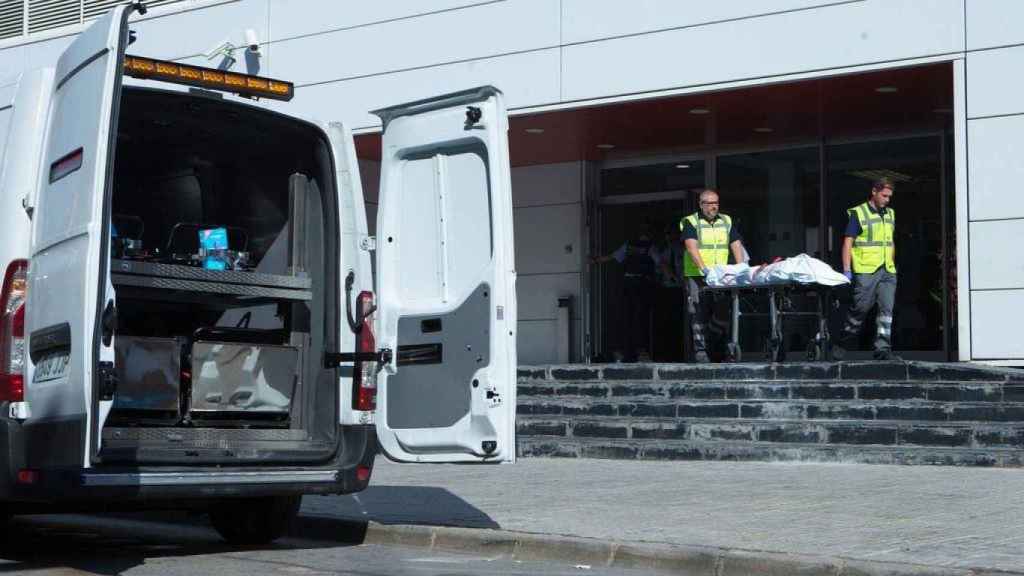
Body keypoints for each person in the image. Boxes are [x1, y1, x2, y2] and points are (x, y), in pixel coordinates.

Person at [834, 177, 900, 361]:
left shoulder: (890, 214)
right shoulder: (859, 213)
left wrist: (891, 263)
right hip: (866, 269)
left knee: (886, 311)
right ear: (874, 192)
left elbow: (890, 241)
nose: (887, 200)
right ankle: (843, 342)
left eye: (889, 197)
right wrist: (847, 269)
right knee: (860, 309)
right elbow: (848, 243)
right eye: (884, 196)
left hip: (887, 270)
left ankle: (882, 349)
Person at [679, 189, 747, 363]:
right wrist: (703, 269)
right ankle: (701, 351)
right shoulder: (691, 222)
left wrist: (740, 267)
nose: (713, 206)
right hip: (697, 275)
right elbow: (691, 247)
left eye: (716, 203)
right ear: (701, 205)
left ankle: (714, 344)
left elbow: (736, 244)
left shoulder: (726, 221)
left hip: (720, 275)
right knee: (698, 312)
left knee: (723, 311)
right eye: (709, 203)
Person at [592, 226, 658, 362]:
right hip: (641, 286)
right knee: (640, 318)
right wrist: (673, 275)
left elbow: (612, 257)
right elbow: (660, 262)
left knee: (626, 317)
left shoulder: (629, 245)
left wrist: (595, 260)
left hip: (627, 285)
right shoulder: (651, 247)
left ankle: (624, 351)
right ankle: (640, 352)